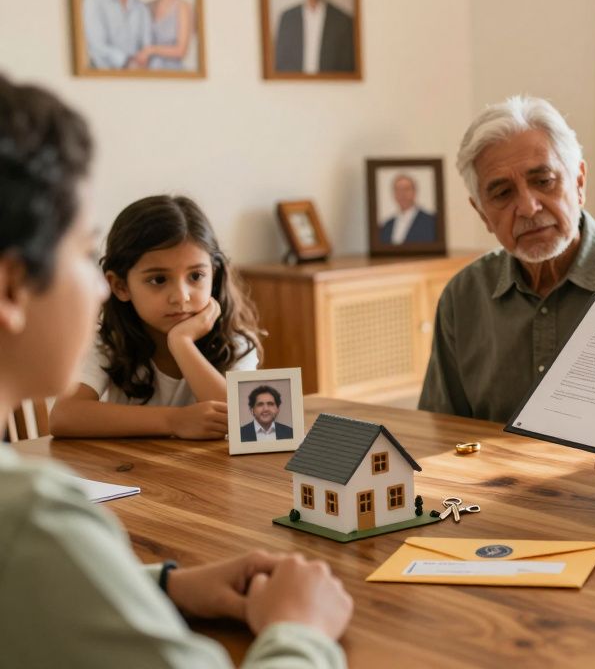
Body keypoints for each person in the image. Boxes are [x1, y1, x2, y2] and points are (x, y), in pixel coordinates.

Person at [0, 73, 352, 666]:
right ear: (12, 286)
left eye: (195, 277)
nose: (95, 288)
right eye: (83, 255)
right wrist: (301, 632)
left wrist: (160, 586)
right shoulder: (33, 521)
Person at [418, 95, 595, 422]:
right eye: (502, 193)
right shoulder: (462, 296)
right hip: (493, 474)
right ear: (481, 213)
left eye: (543, 181)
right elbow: (441, 430)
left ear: (579, 182)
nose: (528, 207)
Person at [49, 196, 262, 439]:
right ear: (120, 286)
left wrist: (181, 344)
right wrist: (175, 420)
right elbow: (64, 416)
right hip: (135, 472)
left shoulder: (236, 343)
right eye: (158, 280)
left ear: (213, 275)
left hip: (214, 475)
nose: (181, 297)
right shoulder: (108, 341)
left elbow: (246, 421)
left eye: (196, 276)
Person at [378, 173, 438, 244]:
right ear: (394, 194)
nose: (402, 194)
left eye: (406, 189)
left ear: (414, 192)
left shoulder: (431, 222)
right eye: (398, 190)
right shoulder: (386, 226)